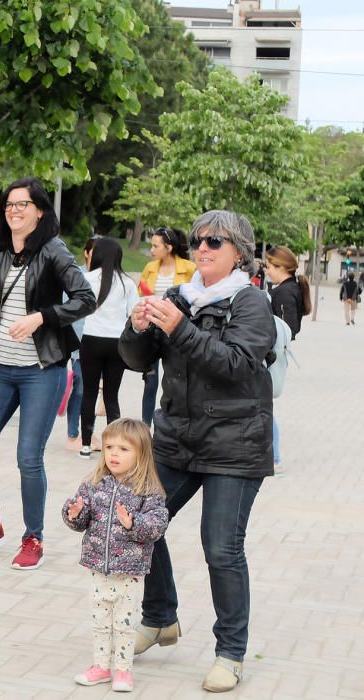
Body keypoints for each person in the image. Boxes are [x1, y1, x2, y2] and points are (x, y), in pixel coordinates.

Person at [119, 210, 275, 692]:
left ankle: (230, 653)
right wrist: (138, 327)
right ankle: (160, 617)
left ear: (239, 253)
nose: (202, 248)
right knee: (137, 520)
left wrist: (179, 327)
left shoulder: (251, 304)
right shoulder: (177, 297)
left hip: (235, 445)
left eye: (215, 241)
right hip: (176, 439)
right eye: (198, 240)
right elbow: (137, 361)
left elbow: (235, 365)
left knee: (221, 548)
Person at [0, 176, 95, 569]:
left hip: (41, 370)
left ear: (40, 211)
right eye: (9, 205)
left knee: (28, 457)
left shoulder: (53, 252)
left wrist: (42, 317)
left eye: (22, 205)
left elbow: (86, 299)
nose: (14, 211)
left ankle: (33, 537)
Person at [63, 418, 168, 693]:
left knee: (123, 622)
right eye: (109, 446)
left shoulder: (148, 490)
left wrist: (133, 523)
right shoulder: (94, 483)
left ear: (141, 453)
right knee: (100, 620)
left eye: (123, 448)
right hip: (98, 567)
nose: (113, 454)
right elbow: (80, 519)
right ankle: (100, 666)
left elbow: (157, 525)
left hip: (130, 571)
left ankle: (123, 671)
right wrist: (73, 513)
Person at [78, 237, 138, 459]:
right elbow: (134, 314)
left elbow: (77, 308)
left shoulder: (86, 278)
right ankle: (114, 447)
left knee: (89, 393)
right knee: (112, 396)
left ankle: (85, 445)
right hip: (116, 343)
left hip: (91, 340)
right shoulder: (128, 283)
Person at [137, 227, 196, 427]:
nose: (152, 249)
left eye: (155, 245)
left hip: (177, 331)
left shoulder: (190, 268)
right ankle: (145, 428)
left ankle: (177, 425)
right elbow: (141, 294)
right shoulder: (150, 268)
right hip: (154, 331)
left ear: (168, 247)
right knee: (150, 383)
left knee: (176, 382)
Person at [264, 245, 311, 468]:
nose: (266, 270)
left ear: (281, 267)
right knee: (264, 404)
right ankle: (272, 455)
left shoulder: (284, 292)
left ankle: (273, 456)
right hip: (275, 354)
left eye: (269, 266)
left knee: (263, 404)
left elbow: (288, 327)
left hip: (273, 356)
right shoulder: (289, 288)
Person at [65, 237, 98, 452]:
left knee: (90, 389)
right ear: (86, 253)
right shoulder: (76, 275)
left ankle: (87, 433)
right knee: (81, 387)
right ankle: (72, 435)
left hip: (97, 341)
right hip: (76, 340)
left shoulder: (107, 278)